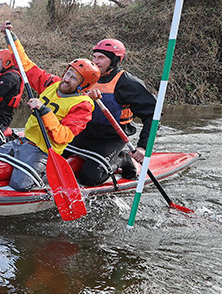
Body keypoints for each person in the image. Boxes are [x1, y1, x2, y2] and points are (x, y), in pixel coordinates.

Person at [0, 22, 100, 191]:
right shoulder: (52, 83)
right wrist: (10, 37)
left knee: (20, 185)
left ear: (83, 85)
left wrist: (44, 111)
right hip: (22, 142)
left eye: (74, 78)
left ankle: (47, 178)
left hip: (42, 151)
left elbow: (63, 136)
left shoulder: (83, 106)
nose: (66, 79)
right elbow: (26, 66)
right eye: (68, 73)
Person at [63, 38, 157, 185]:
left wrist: (143, 147)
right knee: (51, 157)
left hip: (111, 138)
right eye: (94, 57)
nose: (95, 61)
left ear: (114, 60)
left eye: (101, 58)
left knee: (90, 177)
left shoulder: (128, 83)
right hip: (84, 132)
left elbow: (152, 115)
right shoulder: (86, 77)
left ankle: (123, 159)